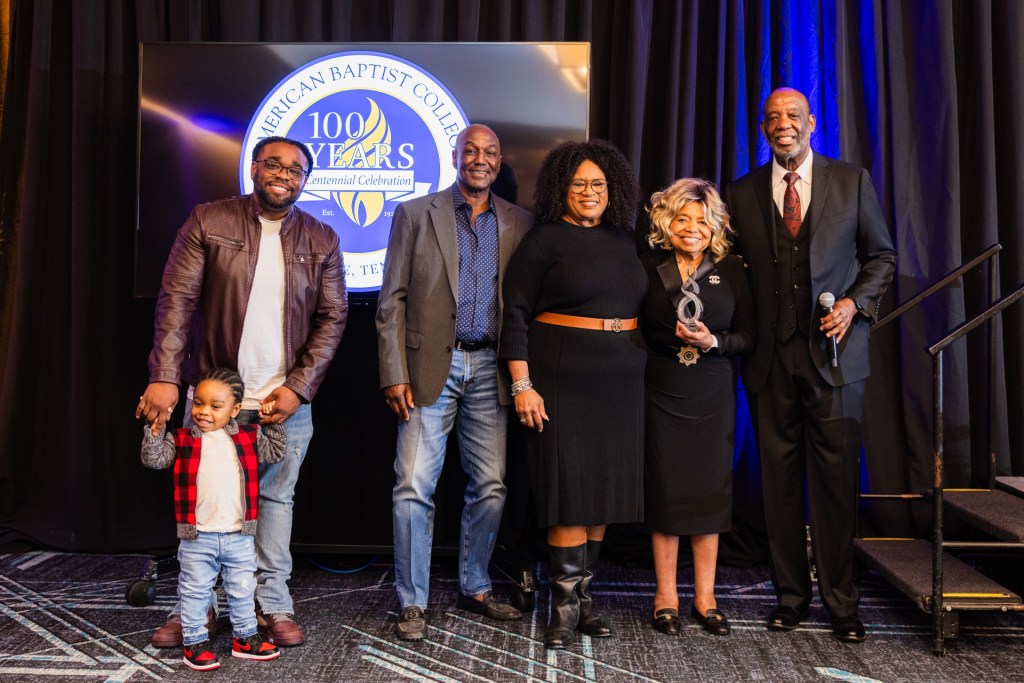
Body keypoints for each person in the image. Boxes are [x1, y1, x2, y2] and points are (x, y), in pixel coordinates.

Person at [136, 136, 348, 648]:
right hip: (213, 396)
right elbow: (177, 300)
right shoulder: (210, 220)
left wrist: (299, 387)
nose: (284, 174)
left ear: (305, 180)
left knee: (276, 499)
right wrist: (165, 375)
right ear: (254, 168)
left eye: (295, 169)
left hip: (282, 402)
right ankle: (198, 607)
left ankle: (272, 603)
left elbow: (333, 317)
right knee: (206, 501)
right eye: (274, 163)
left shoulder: (322, 238)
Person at [723, 87, 896, 643]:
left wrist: (853, 304)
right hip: (770, 360)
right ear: (762, 128)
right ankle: (790, 599)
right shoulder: (743, 192)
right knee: (777, 486)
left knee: (836, 485)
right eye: (772, 117)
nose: (783, 124)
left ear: (812, 123)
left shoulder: (852, 181)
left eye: (793, 115)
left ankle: (842, 603)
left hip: (837, 360)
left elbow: (881, 257)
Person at [376, 124, 533, 642]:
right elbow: (391, 301)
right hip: (425, 371)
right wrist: (393, 372)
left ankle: (474, 584)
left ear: (499, 160)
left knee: (490, 486)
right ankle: (412, 601)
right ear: (455, 155)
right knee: (413, 488)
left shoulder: (519, 222)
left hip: (491, 367)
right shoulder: (416, 214)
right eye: (471, 151)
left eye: (489, 152)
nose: (480, 160)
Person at [500, 139, 646, 649]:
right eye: (579, 183)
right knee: (568, 494)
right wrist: (523, 384)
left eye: (598, 185)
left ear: (614, 191)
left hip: (621, 385)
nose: (589, 192)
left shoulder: (627, 240)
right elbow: (514, 314)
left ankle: (585, 602)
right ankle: (561, 610)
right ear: (562, 188)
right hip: (559, 382)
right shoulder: (543, 241)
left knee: (603, 494)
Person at [639, 178, 754, 637]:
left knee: (709, 493)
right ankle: (665, 595)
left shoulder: (736, 270)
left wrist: (714, 341)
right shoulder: (647, 267)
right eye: (682, 219)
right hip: (660, 388)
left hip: (712, 392)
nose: (692, 229)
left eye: (701, 221)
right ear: (667, 223)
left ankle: (706, 598)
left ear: (714, 227)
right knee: (666, 491)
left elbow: (749, 338)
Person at [142, 368, 285, 671]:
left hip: (238, 535)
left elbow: (274, 453)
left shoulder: (248, 436)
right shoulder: (182, 439)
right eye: (199, 403)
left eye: (215, 406)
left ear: (234, 410)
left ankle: (245, 637)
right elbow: (154, 459)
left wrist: (274, 422)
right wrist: (156, 429)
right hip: (198, 536)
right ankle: (194, 641)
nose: (204, 412)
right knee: (194, 590)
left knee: (243, 587)